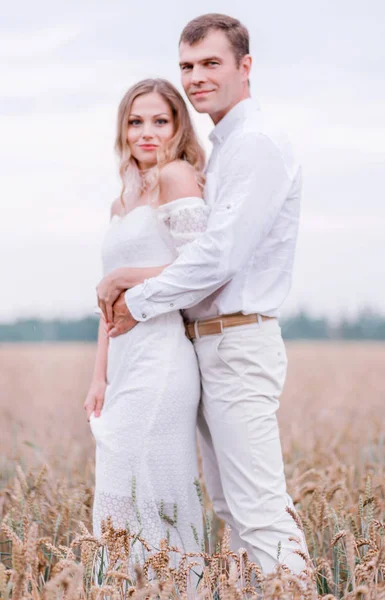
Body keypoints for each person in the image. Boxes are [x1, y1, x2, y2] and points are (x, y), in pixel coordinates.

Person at [99, 14, 309, 575]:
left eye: (210, 63)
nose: (195, 77)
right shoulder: (225, 148)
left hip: (238, 342)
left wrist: (134, 299)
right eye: (187, 65)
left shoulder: (256, 143)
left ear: (245, 67)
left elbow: (218, 258)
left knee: (259, 513)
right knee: (233, 512)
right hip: (206, 344)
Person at [84, 78, 208, 564]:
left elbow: (201, 263)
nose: (146, 133)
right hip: (124, 358)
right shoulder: (120, 204)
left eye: (160, 120)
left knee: (143, 478)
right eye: (136, 122)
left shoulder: (177, 176)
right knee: (118, 485)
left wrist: (126, 275)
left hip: (161, 355)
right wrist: (99, 376)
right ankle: (128, 585)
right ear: (123, 129)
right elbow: (106, 297)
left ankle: (174, 583)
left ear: (178, 125)